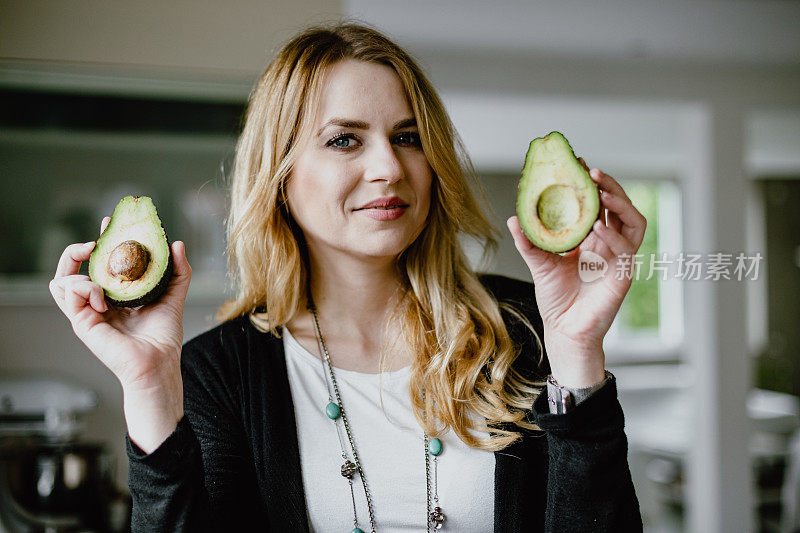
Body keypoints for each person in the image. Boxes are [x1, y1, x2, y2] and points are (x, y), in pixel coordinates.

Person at [49, 21, 645, 532]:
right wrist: (152, 386)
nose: (389, 167)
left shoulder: (526, 326)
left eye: (407, 137)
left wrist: (576, 353)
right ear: (280, 174)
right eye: (344, 140)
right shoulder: (218, 373)